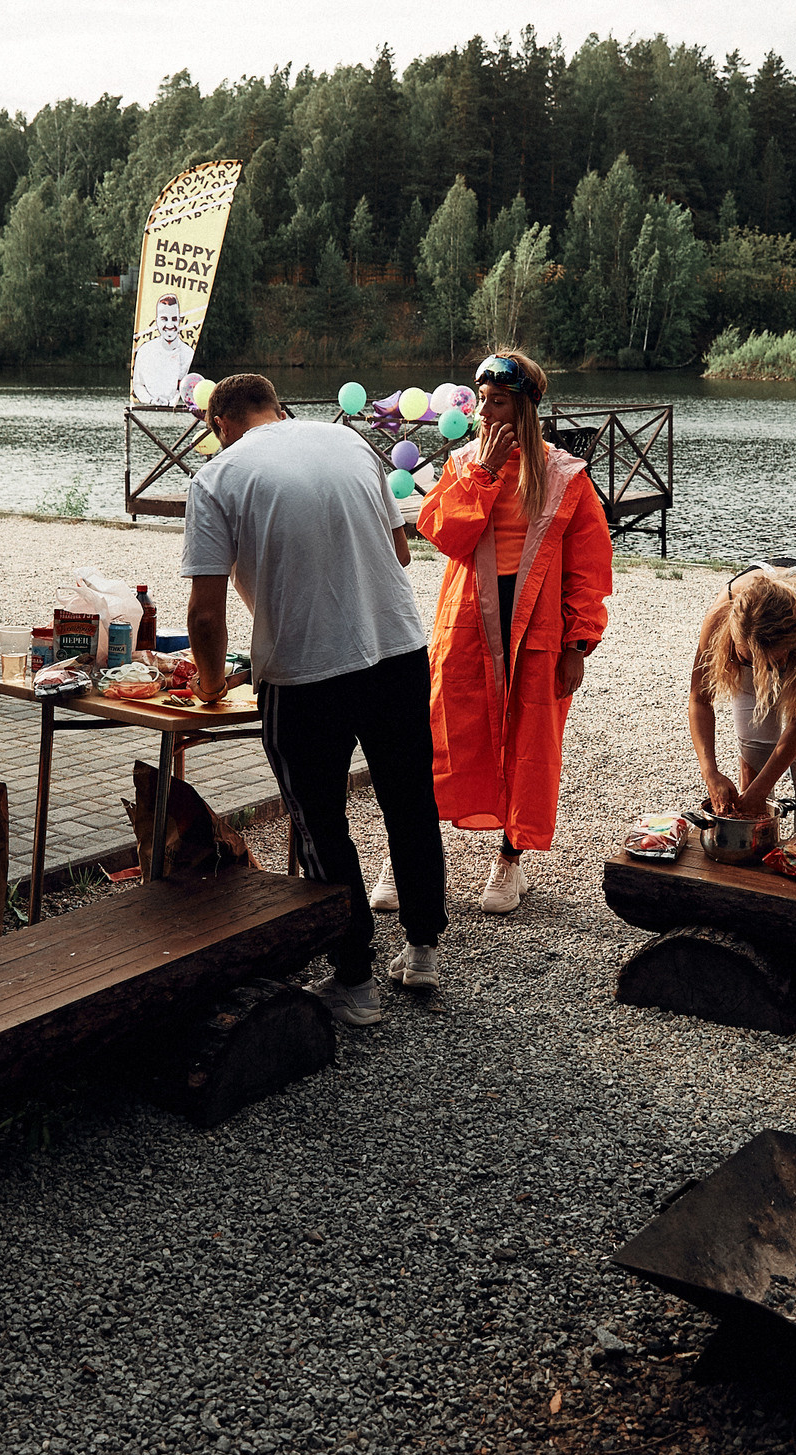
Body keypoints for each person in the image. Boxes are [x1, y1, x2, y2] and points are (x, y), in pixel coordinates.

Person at [180, 373, 447, 1022]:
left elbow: (205, 617)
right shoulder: (349, 442)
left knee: (322, 823)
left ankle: (354, 981)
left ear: (221, 425)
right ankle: (421, 950)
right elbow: (401, 552)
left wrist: (211, 687)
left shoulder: (215, 478)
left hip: (304, 675)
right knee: (409, 799)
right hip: (398, 649)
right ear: (278, 409)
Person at [368, 350, 610, 923]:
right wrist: (482, 472)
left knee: (530, 740)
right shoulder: (461, 465)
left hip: (537, 623)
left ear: (525, 406)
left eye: (498, 402)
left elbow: (588, 566)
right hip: (467, 621)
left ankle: (511, 857)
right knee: (443, 734)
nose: (484, 414)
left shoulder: (564, 476)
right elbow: (444, 535)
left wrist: (578, 642)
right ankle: (408, 857)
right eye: (481, 402)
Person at [686, 556, 796, 833]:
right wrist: (711, 773)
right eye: (748, 659)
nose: (762, 673)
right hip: (757, 636)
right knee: (754, 759)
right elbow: (699, 699)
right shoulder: (723, 611)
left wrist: (760, 792)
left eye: (773, 664)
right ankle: (757, 853)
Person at [130, 296, 195, 405]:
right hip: (149, 412)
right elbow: (138, 385)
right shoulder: (144, 351)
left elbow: (191, 388)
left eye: (174, 319)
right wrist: (151, 400)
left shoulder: (189, 353)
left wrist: (173, 401)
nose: (169, 325)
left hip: (177, 415)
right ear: (157, 321)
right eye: (164, 319)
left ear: (179, 320)